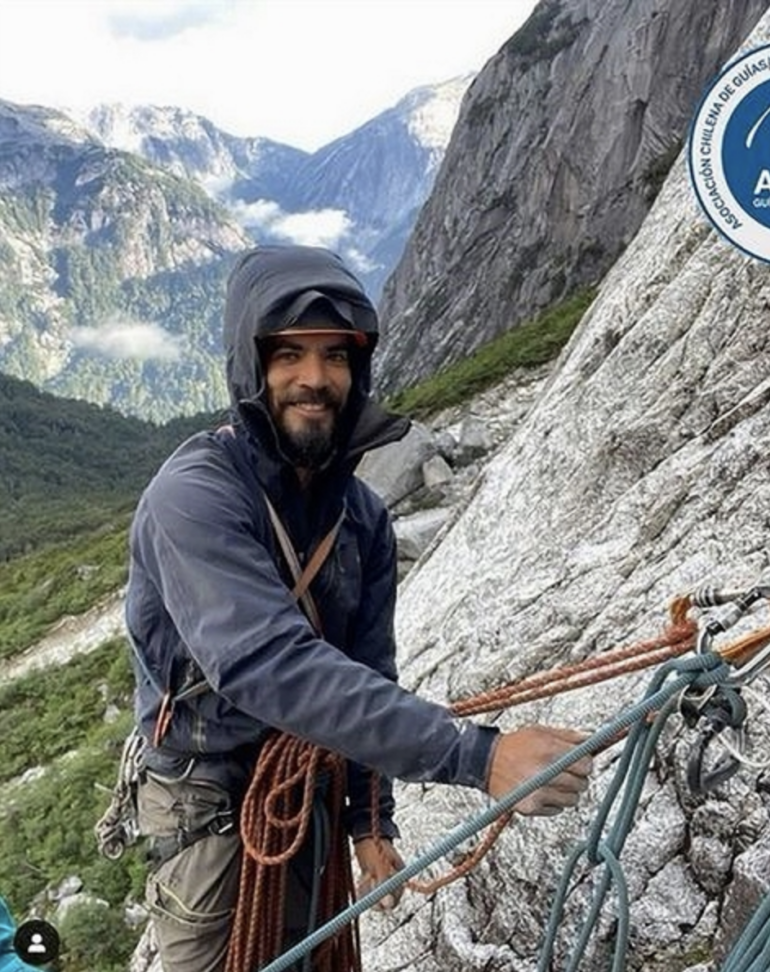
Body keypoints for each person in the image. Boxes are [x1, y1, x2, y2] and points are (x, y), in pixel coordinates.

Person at [125, 244, 594, 972]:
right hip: (205, 792)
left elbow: (367, 666)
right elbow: (267, 664)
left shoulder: (361, 517)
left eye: (335, 356)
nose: (315, 379)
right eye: (288, 355)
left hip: (303, 781)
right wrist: (481, 755)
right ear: (251, 367)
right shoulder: (194, 498)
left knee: (311, 955)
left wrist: (370, 820)